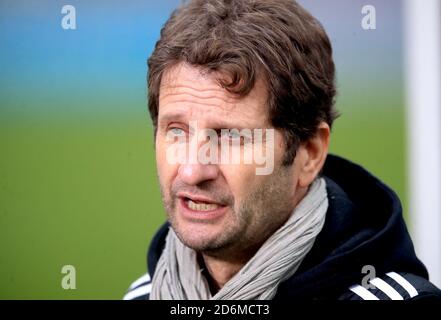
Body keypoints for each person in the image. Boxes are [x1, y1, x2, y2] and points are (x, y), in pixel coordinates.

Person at [124, 0, 441, 300]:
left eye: (230, 136)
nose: (193, 170)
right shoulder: (142, 294)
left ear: (310, 153)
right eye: (177, 131)